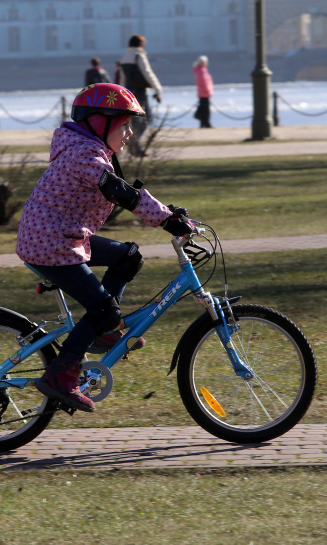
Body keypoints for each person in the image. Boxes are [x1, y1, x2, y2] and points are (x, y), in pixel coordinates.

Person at [16, 83, 193, 413]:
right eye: (124, 125)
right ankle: (61, 374)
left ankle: (103, 332)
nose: (129, 133)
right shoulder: (85, 155)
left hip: (61, 236)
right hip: (51, 244)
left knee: (128, 257)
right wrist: (165, 220)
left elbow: (126, 189)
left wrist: (168, 212)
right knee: (104, 310)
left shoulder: (90, 150)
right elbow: (118, 191)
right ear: (100, 123)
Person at [118, 34, 163, 157]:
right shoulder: (139, 56)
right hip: (140, 93)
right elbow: (148, 73)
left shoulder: (124, 58)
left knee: (135, 121)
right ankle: (135, 146)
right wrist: (158, 89)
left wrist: (122, 94)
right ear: (141, 44)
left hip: (129, 94)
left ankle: (134, 146)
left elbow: (122, 78)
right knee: (144, 120)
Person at [192, 55, 214, 128]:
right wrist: (209, 91)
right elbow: (205, 82)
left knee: (203, 108)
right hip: (204, 93)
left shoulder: (199, 70)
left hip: (201, 92)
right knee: (206, 110)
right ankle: (206, 123)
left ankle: (203, 123)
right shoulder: (202, 71)